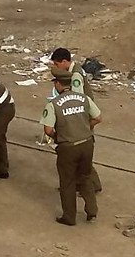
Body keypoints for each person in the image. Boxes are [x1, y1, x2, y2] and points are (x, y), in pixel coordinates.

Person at [41, 67, 102, 226]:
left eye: (55, 83)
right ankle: (92, 211)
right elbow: (98, 118)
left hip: (68, 147)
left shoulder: (53, 104)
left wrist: (59, 136)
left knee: (67, 182)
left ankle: (69, 217)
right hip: (87, 143)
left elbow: (48, 130)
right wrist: (84, 128)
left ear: (59, 84)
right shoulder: (84, 98)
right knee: (85, 177)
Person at [50, 47, 103, 193]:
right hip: (83, 114)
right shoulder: (76, 70)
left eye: (57, 64)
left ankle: (88, 185)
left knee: (78, 149)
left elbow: (77, 99)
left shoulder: (75, 76)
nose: (56, 67)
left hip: (81, 116)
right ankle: (90, 185)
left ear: (65, 61)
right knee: (82, 151)